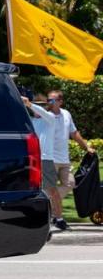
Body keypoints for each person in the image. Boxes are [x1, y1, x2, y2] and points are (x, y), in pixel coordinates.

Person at [47, 90, 95, 230]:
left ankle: (50, 205)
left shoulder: (66, 114)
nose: (50, 102)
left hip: (64, 159)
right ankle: (57, 217)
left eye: (53, 100)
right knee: (50, 188)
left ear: (60, 101)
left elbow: (74, 133)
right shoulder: (45, 115)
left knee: (70, 183)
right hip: (49, 158)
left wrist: (86, 147)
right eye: (49, 99)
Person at [23, 95, 65, 230]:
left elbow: (40, 111)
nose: (38, 107)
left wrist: (29, 104)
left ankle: (59, 218)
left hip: (46, 159)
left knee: (52, 190)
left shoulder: (50, 119)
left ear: (46, 106)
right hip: (33, 159)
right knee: (33, 190)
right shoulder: (30, 121)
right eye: (36, 104)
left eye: (41, 104)